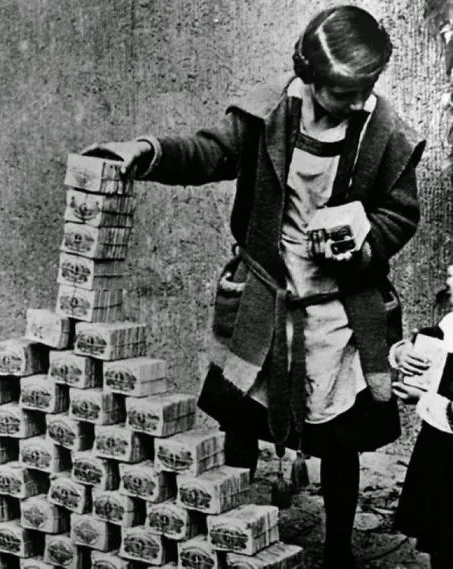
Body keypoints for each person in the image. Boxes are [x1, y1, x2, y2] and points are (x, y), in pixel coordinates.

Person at [84, 6, 425, 568]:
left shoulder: (384, 132)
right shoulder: (268, 116)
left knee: (339, 439)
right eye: (343, 92)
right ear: (310, 76)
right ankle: (232, 531)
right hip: (266, 298)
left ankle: (338, 547)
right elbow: (208, 151)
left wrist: (362, 244)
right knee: (241, 418)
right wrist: (147, 153)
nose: (357, 102)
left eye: (367, 89)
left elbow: (400, 214)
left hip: (337, 312)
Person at [391, 265, 453, 569]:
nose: (450, 273)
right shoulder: (449, 323)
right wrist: (403, 353)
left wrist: (425, 399)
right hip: (439, 445)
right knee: (438, 533)